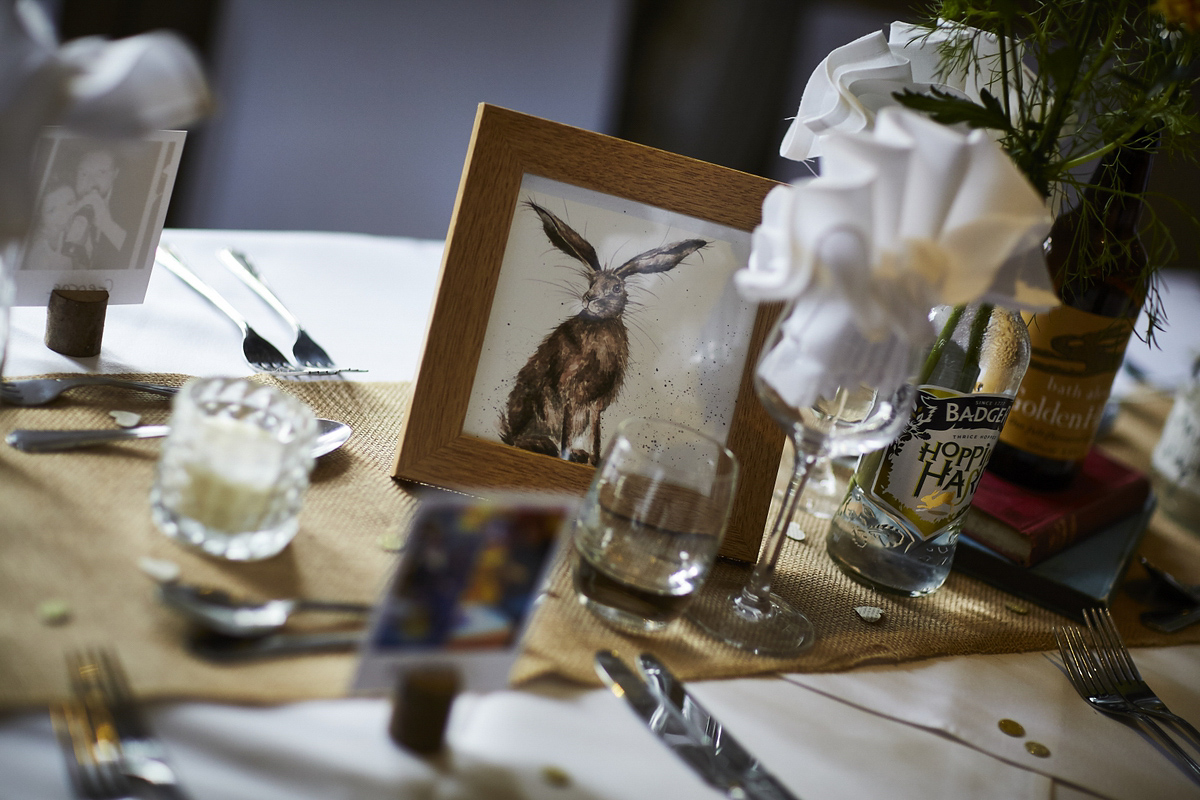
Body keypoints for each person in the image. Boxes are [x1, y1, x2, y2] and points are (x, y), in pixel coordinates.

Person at [61, 149, 126, 269]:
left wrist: (107, 224)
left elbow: (136, 253)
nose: (91, 181)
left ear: (115, 174)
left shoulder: (134, 206)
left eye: (101, 172)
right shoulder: (64, 201)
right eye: (84, 174)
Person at [21, 185, 77, 270]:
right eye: (52, 210)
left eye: (69, 203)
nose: (64, 213)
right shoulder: (40, 257)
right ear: (41, 221)